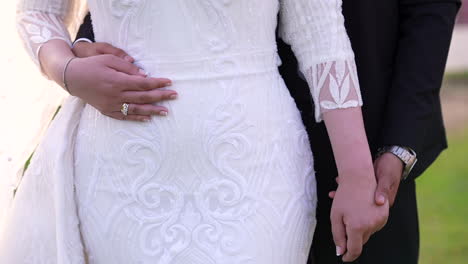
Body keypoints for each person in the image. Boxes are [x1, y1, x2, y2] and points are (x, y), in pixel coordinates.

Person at [72, 0, 461, 263]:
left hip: (368, 143)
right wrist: (87, 45)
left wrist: (399, 145)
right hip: (201, 146)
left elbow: (430, 7)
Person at [0, 0, 388, 263]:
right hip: (120, 171)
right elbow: (37, 13)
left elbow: (321, 34)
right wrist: (67, 71)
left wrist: (356, 174)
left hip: (257, 170)